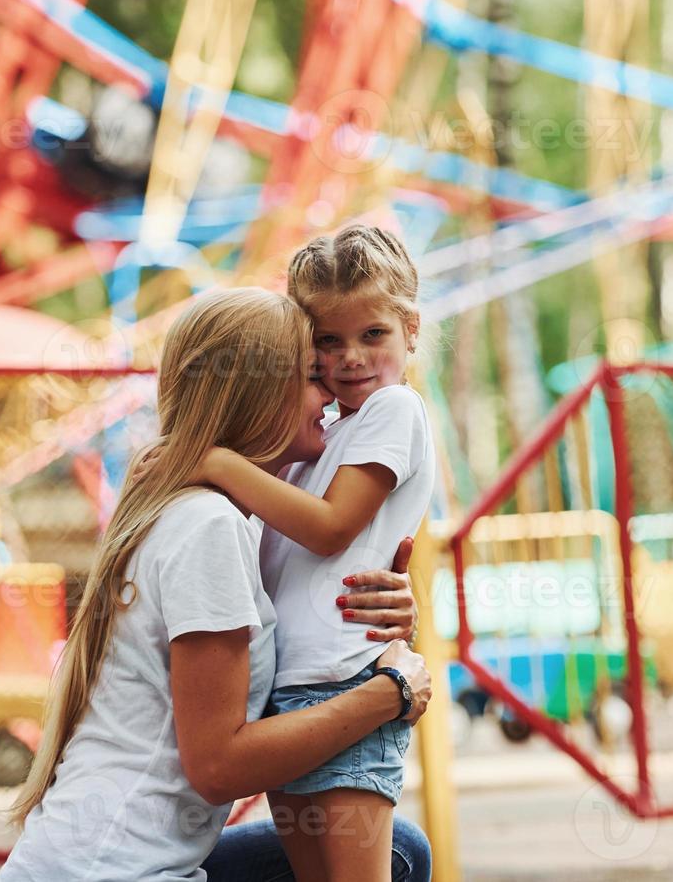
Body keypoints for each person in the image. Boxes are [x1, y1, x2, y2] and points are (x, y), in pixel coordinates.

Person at [0, 287, 432, 882]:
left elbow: (301, 617)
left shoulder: (212, 516)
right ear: (260, 395)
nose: (330, 390)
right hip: (115, 872)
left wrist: (381, 614)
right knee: (398, 858)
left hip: (94, 863)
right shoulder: (208, 525)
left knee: (401, 849)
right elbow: (219, 768)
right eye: (311, 374)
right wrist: (389, 693)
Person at [198, 226, 436, 880]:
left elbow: (331, 528)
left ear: (410, 329)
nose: (351, 357)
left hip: (346, 684)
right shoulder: (330, 433)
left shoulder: (395, 409)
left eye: (373, 335)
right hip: (296, 696)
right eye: (329, 341)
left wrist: (211, 460)